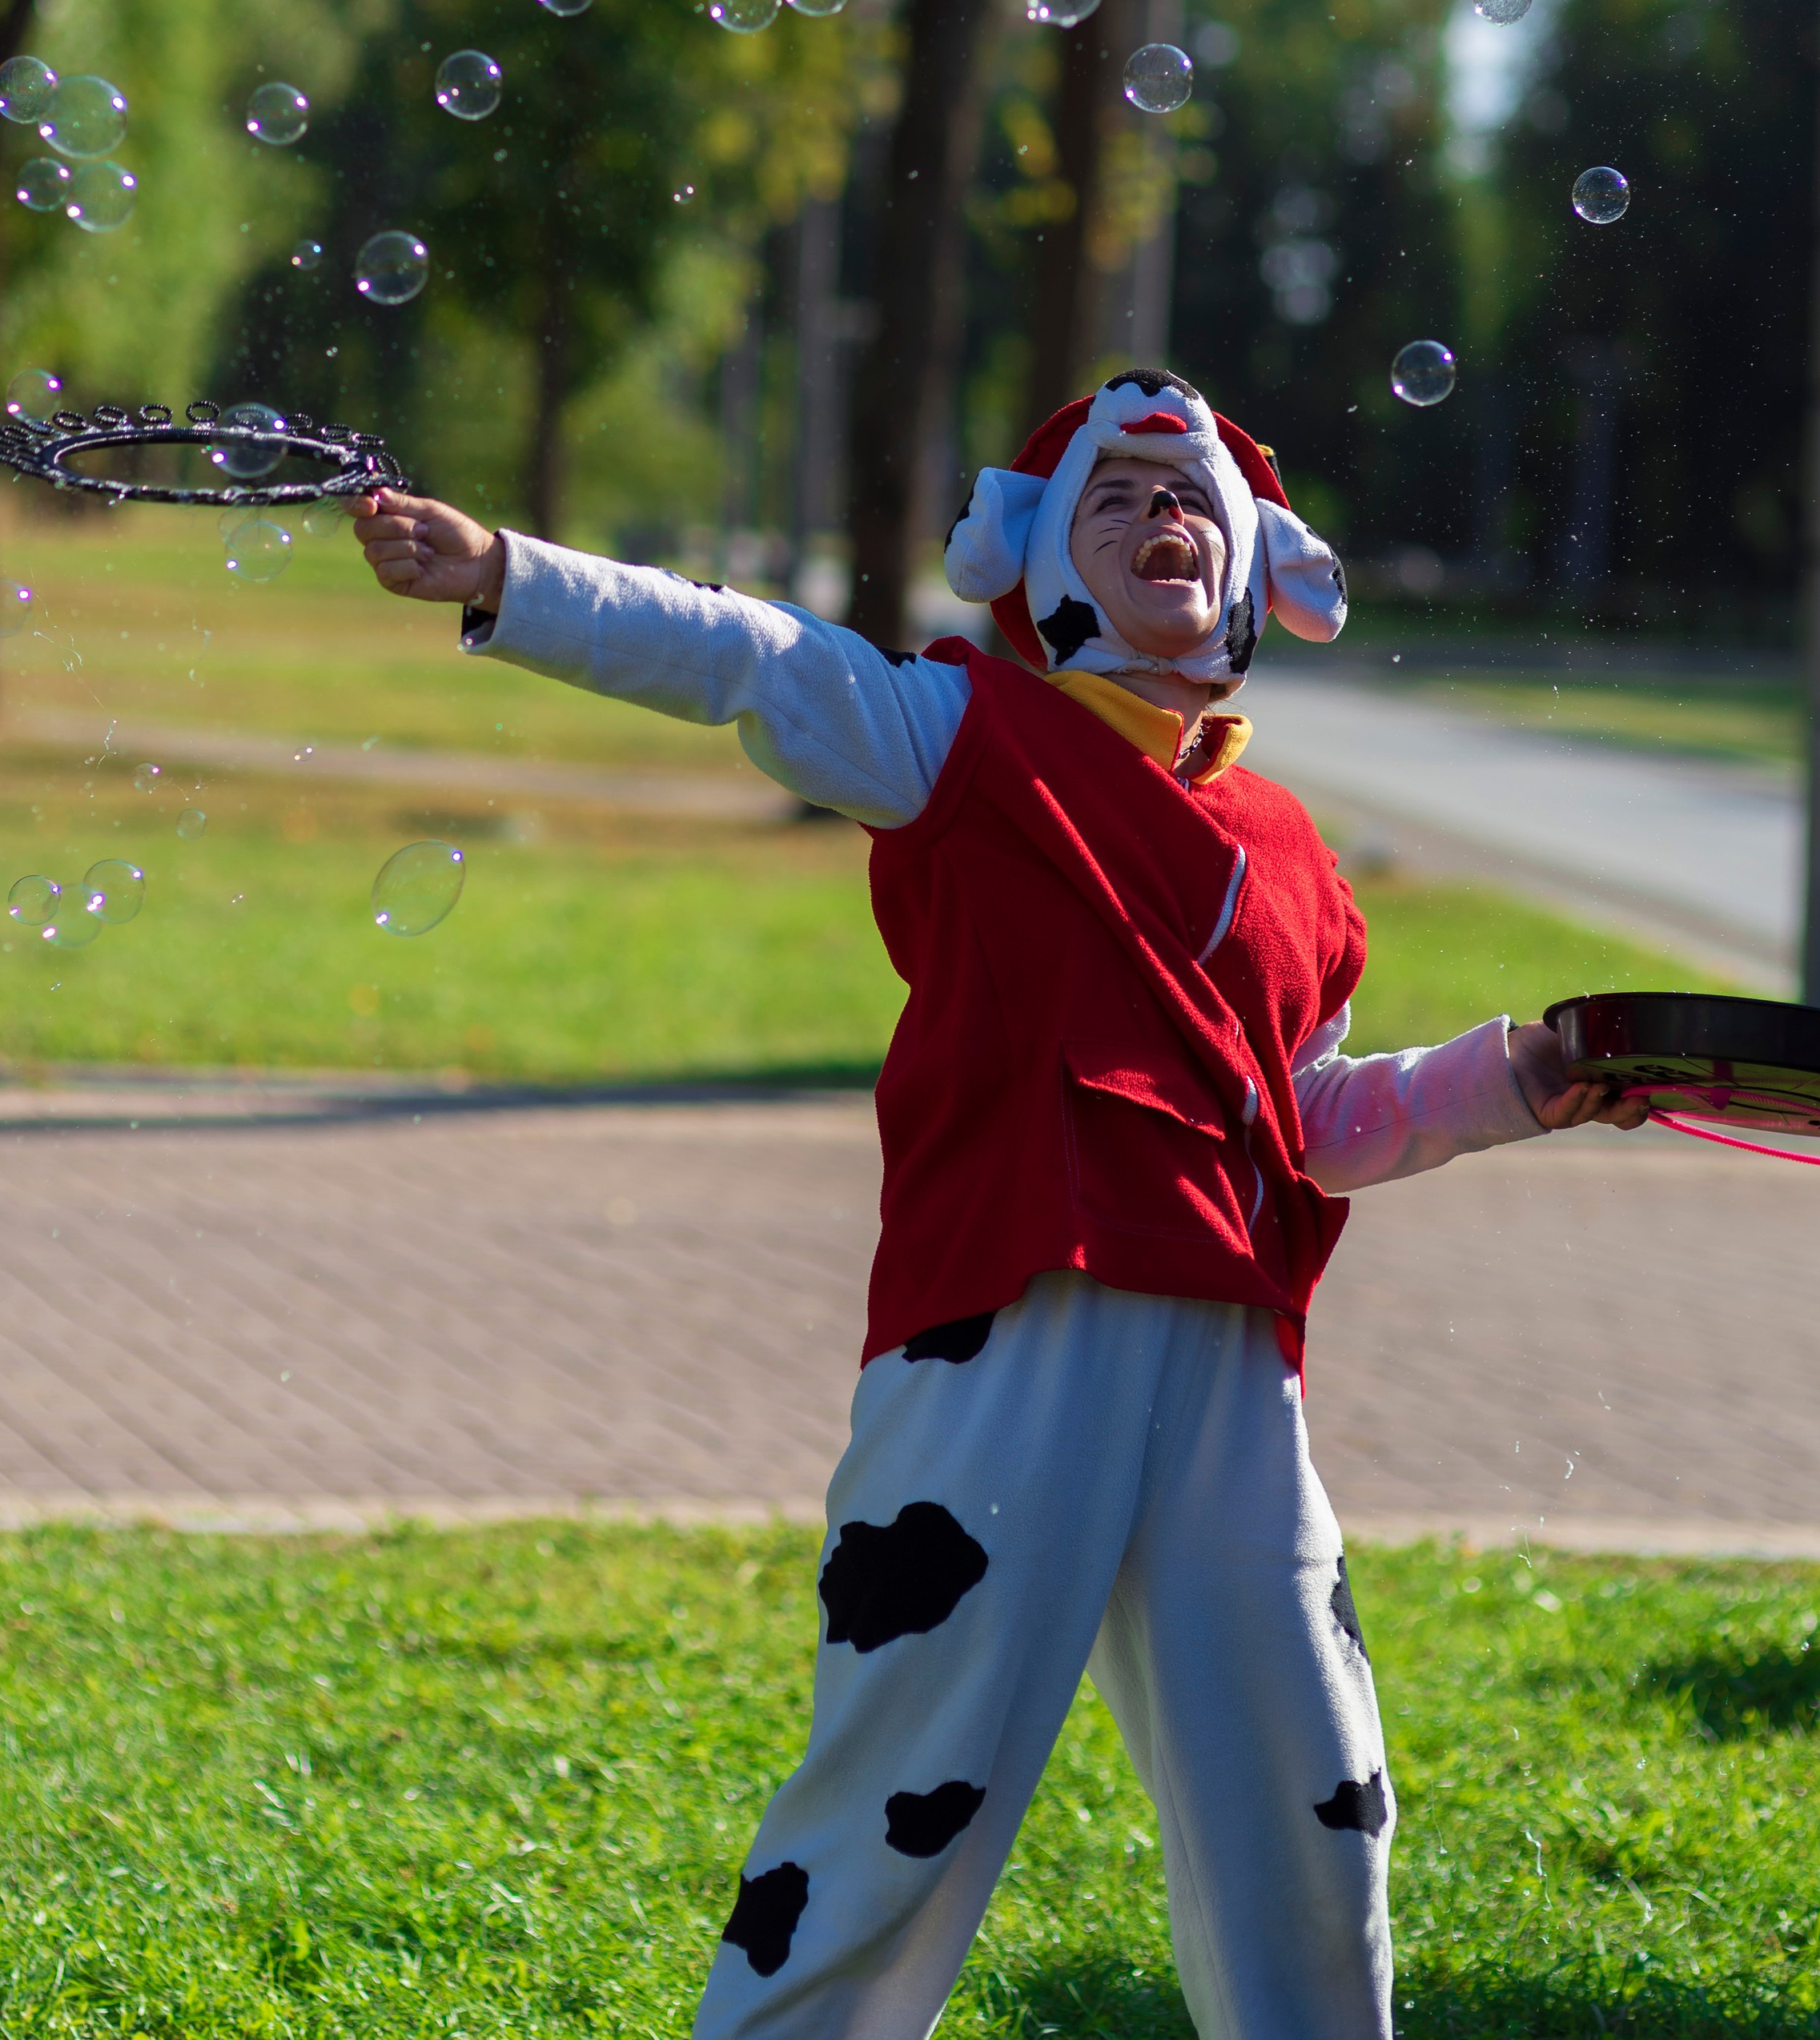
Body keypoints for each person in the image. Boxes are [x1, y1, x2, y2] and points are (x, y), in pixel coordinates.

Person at [353, 363, 1644, 2040]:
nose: (1154, 515)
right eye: (1109, 498)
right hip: (1002, 1337)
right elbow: (750, 654)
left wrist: (1518, 1075)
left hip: (1233, 1366)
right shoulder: (957, 725)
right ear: (1038, 565)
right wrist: (510, 576)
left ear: (1251, 561)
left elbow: (1309, 1120)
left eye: (1186, 498)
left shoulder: (1301, 856)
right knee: (904, 1797)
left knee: (1316, 1798)